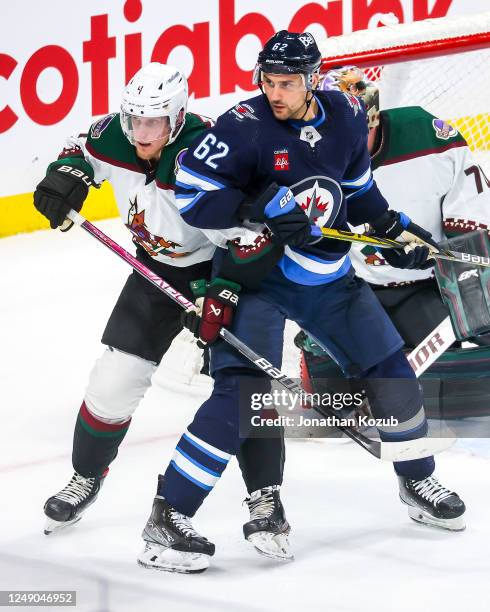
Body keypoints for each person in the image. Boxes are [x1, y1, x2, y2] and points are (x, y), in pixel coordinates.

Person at [135, 32, 466, 574]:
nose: (275, 92)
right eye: (267, 80)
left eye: (287, 82)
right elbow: (192, 194)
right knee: (240, 395)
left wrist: (392, 226)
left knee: (389, 367)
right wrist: (253, 204)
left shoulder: (344, 113)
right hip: (256, 277)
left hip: (325, 275)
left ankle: (416, 477)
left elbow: (357, 186)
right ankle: (169, 514)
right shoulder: (242, 127)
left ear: (314, 77)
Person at [33, 62, 289, 558]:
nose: (141, 134)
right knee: (113, 379)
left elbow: (252, 238)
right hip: (154, 274)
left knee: (246, 389)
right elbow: (80, 146)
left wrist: (221, 291)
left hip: (221, 273)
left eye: (153, 123)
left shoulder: (208, 155)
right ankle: (85, 477)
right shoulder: (117, 135)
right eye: (135, 121)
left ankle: (266, 497)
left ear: (177, 117)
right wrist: (67, 175)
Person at [296, 67, 490, 407]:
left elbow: (474, 219)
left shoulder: (428, 138)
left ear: (372, 121)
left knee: (454, 385)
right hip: (357, 291)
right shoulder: (304, 158)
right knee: (333, 399)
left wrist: (440, 257)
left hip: (427, 289)